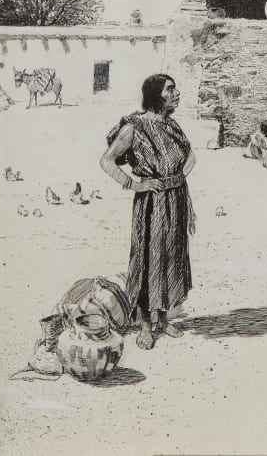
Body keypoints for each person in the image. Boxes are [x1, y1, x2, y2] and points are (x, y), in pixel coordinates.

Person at [100, 74, 196, 350]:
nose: (176, 93)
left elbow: (190, 155)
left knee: (172, 258)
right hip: (152, 204)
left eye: (175, 88)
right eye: (170, 89)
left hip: (175, 200)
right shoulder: (135, 126)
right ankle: (144, 326)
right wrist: (135, 184)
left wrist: (177, 178)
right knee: (149, 260)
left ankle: (163, 321)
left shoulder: (172, 125)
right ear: (156, 95)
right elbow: (107, 161)